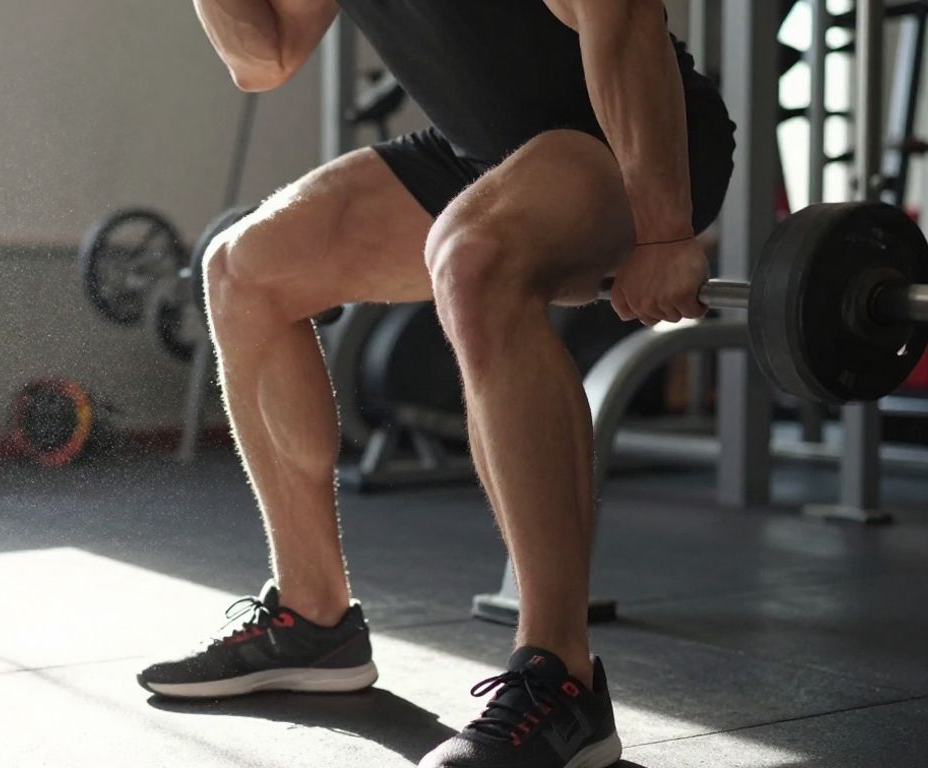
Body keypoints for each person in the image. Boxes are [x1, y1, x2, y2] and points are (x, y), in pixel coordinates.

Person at [138, 1, 735, 766]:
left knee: (470, 257)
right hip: (481, 154)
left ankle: (562, 679)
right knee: (241, 267)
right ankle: (313, 617)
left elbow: (621, 18)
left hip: (624, 138)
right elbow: (264, 58)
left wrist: (663, 229)